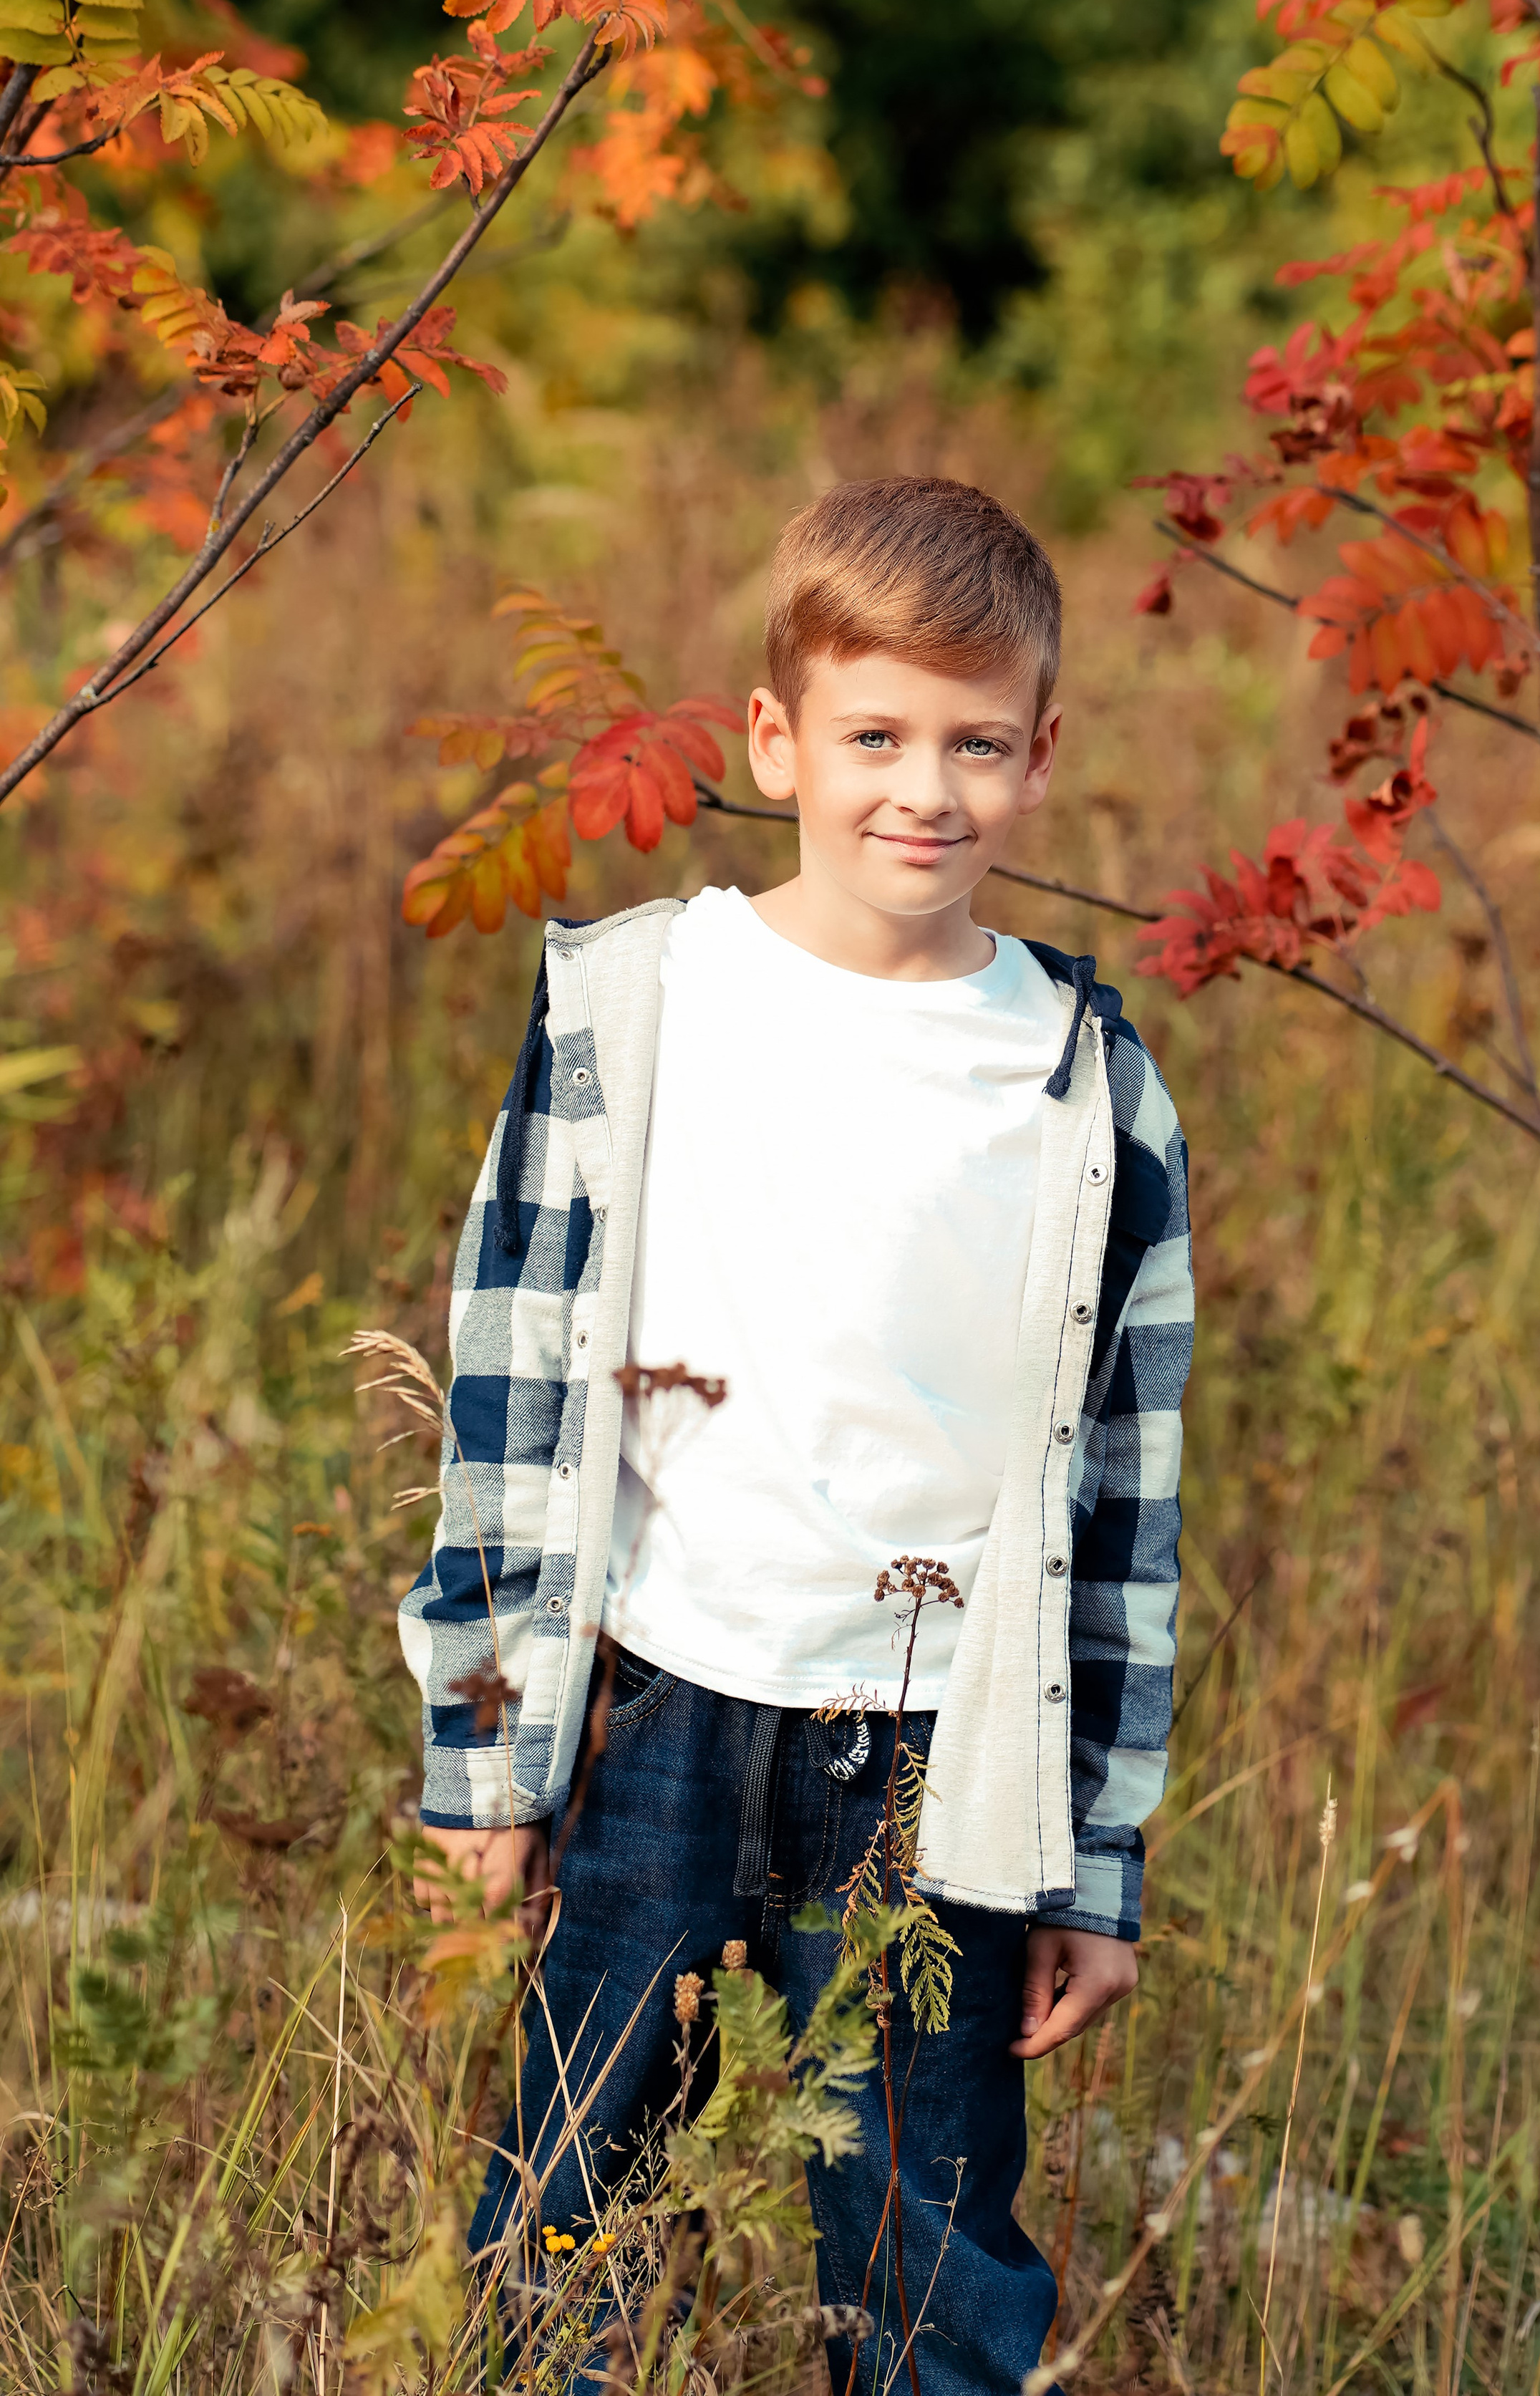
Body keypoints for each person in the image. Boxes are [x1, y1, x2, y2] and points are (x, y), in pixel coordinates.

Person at [398, 474, 1193, 2395]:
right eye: (877, 736)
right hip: (660, 1704)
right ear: (777, 738)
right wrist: (486, 1754)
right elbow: (512, 1384)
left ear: (1040, 756)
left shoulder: (1085, 1078)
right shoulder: (647, 1002)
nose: (925, 788)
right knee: (566, 2212)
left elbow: (1126, 1487)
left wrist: (1097, 1857)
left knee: (926, 2254)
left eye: (976, 742)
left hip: (936, 1754)